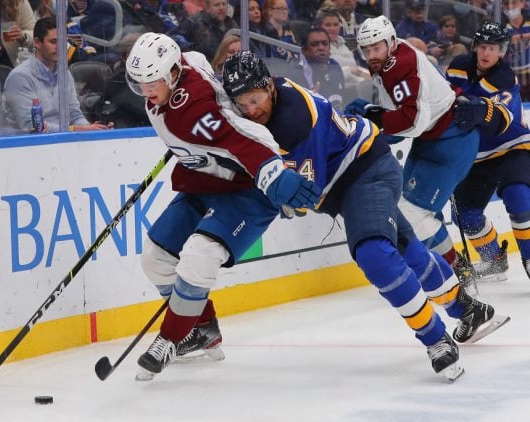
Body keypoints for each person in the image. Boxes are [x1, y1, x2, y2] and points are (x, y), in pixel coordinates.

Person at [222, 50, 508, 381]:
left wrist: (274, 192)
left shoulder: (293, 120)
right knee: (405, 247)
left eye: (254, 99)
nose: (250, 109)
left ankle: (434, 338)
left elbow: (303, 196)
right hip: (352, 175)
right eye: (242, 103)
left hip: (365, 170)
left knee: (374, 253)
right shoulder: (258, 108)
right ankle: (469, 310)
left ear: (269, 87)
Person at [124, 32, 320, 380]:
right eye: (138, 83)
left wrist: (272, 170)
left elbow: (242, 136)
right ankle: (202, 330)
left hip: (244, 191)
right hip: (203, 185)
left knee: (201, 255)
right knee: (155, 259)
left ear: (171, 74)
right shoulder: (183, 69)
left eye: (152, 82)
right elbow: (197, 56)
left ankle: (171, 337)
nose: (146, 92)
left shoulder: (194, 108)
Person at [344, 16, 500, 290]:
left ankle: (457, 270)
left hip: (451, 141)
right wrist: (377, 118)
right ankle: (455, 264)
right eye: (366, 50)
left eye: (376, 48)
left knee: (413, 211)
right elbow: (405, 116)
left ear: (391, 43)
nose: (371, 55)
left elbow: (413, 122)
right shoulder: (391, 56)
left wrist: (375, 120)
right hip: (435, 138)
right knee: (408, 206)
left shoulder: (400, 66)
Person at [446, 21, 530, 281]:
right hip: (475, 155)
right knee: (465, 214)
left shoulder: (504, 77)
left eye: (493, 48)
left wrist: (481, 110)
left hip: (511, 146)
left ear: (502, 52)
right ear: (475, 47)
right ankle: (494, 260)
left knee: (518, 196)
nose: (486, 53)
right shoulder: (457, 67)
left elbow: (502, 117)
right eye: (483, 47)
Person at [3, 17, 111, 133]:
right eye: (53, 42)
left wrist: (92, 129)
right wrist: (78, 129)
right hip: (29, 146)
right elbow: (32, 127)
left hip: (63, 142)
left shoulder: (64, 73)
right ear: (37, 43)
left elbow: (74, 115)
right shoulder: (20, 77)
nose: (59, 47)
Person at [171, 0, 239, 61]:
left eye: (224, 4)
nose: (221, 8)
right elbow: (172, 39)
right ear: (207, 8)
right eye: (217, 5)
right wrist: (191, 49)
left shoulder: (233, 25)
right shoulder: (193, 23)